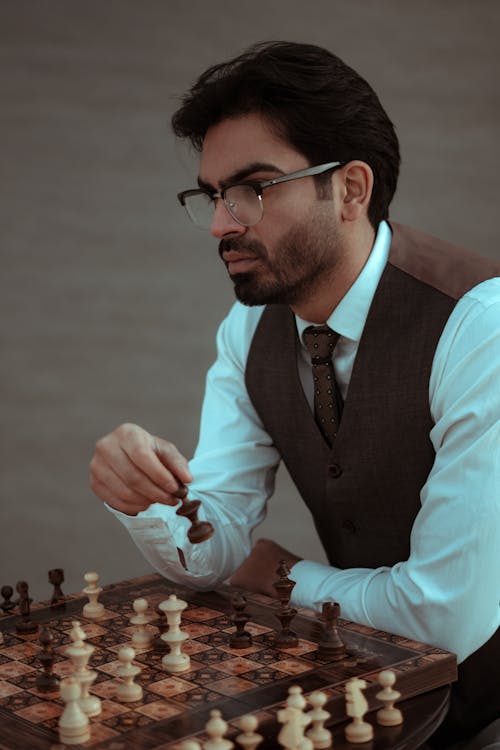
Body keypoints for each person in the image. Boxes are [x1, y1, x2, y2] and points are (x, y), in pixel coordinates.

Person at [89, 42, 500, 748]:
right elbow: (213, 550)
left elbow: (446, 620)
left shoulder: (482, 325)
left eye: (253, 188)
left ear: (350, 190)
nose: (221, 225)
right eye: (213, 195)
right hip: (371, 689)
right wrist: (146, 496)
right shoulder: (248, 330)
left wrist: (279, 573)